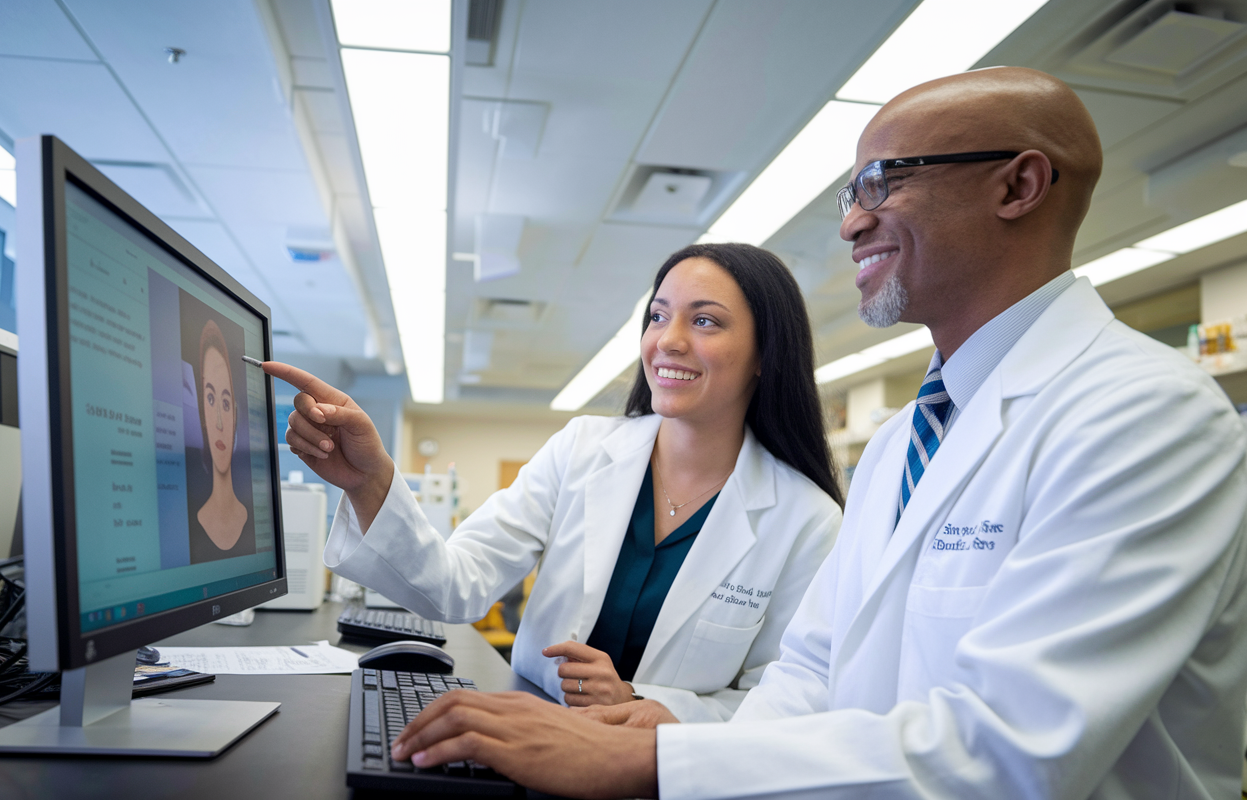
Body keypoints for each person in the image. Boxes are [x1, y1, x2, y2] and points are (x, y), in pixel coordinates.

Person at [385, 67, 1247, 799]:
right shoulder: (906, 439)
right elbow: (809, 680)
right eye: (851, 191)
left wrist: (651, 757)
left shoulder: (1145, 414)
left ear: (1017, 186)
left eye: (886, 180)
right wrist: (679, 742)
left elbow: (1015, 750)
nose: (851, 222)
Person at [265, 242, 845, 722]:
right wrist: (371, 482)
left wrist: (647, 705)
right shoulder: (582, 450)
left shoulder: (807, 520)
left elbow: (788, 702)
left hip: (665, 771)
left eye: (705, 321)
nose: (668, 340)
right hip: (535, 732)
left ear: (766, 352)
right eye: (658, 315)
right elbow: (453, 587)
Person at [191, 319, 250, 558]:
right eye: (210, 399)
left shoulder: (252, 519)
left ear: (235, 413)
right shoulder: (192, 523)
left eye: (225, 403)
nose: (218, 422)